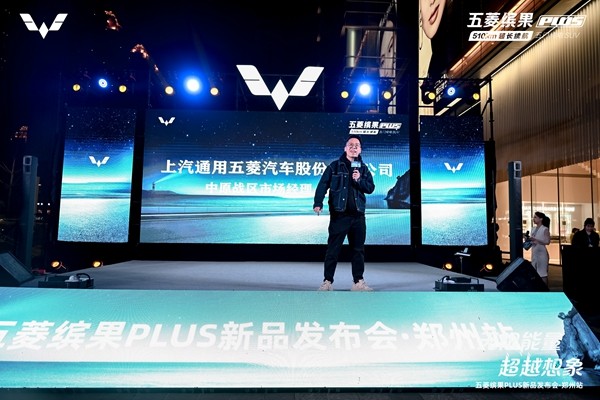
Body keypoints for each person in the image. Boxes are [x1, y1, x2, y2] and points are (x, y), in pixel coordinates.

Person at [313, 134, 375, 291]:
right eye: (351, 145)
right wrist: (318, 203)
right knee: (333, 250)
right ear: (345, 148)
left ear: (360, 150)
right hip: (339, 216)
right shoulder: (334, 166)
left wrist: (359, 180)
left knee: (358, 251)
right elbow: (323, 184)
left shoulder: (363, 168)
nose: (354, 148)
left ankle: (358, 282)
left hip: (358, 216)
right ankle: (327, 282)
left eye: (357, 146)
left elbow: (370, 188)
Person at [526, 211, 551, 285]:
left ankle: (545, 289)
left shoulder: (545, 229)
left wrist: (536, 240)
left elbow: (547, 241)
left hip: (542, 253)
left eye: (535, 217)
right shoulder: (533, 229)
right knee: (534, 272)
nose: (533, 219)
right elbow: (533, 240)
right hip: (534, 252)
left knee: (542, 273)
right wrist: (528, 240)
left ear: (541, 219)